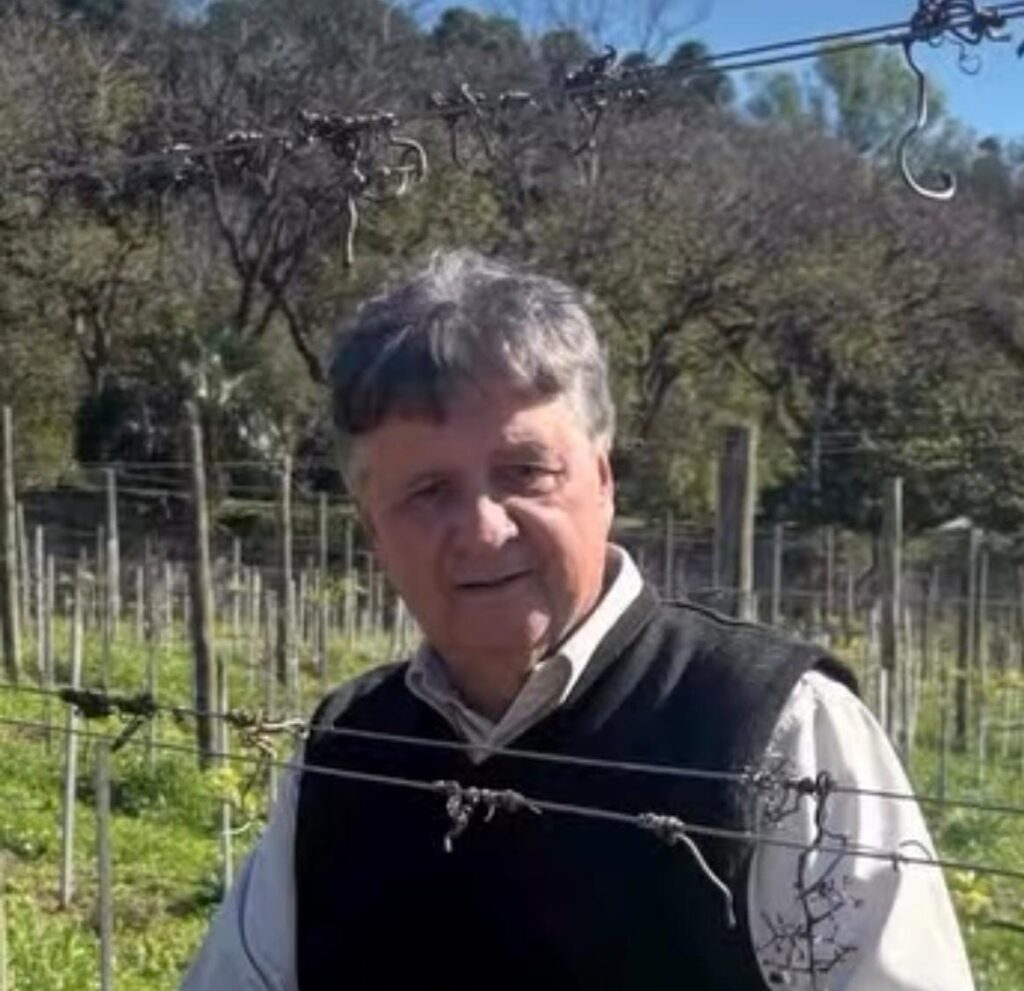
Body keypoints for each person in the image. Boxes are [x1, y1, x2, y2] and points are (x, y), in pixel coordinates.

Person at [181, 250, 973, 991]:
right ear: (371, 530)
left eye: (525, 470)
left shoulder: (778, 732)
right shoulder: (346, 751)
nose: (483, 528)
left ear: (602, 479)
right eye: (428, 491)